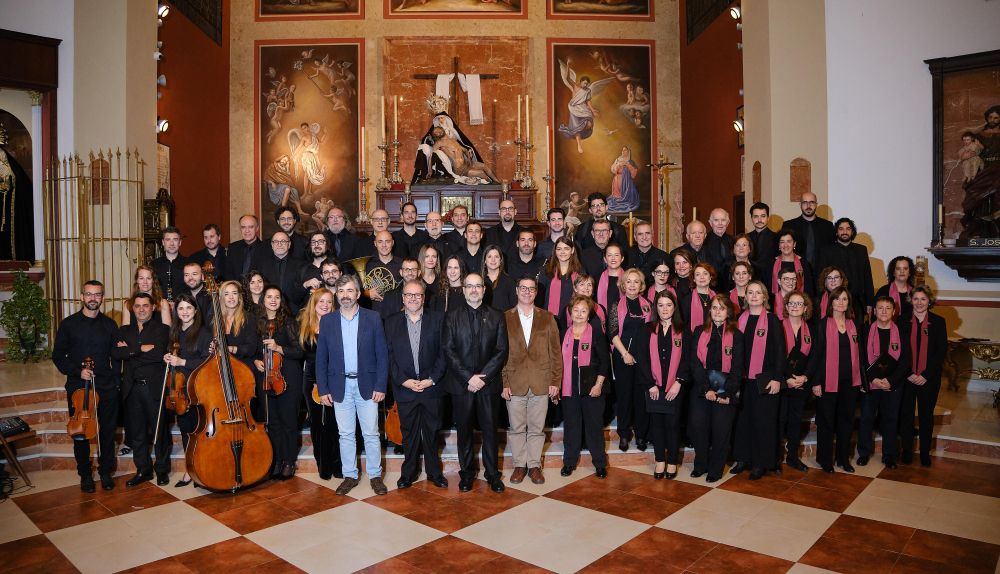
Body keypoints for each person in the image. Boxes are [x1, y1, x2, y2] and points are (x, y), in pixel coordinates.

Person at [316, 274, 390, 496]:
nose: (345, 295)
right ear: (336, 295)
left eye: (349, 291)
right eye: (341, 292)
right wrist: (323, 389)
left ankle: (376, 476)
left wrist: (381, 385)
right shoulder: (328, 321)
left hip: (367, 385)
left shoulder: (373, 318)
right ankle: (350, 475)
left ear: (358, 293)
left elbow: (382, 355)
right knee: (345, 434)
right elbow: (321, 358)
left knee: (371, 433)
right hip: (339, 386)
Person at [443, 273, 509, 493]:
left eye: (477, 286)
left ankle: (492, 475)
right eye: (469, 286)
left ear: (484, 290)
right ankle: (467, 474)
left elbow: (501, 351)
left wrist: (483, 378)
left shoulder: (497, 316)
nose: (473, 290)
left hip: (488, 386)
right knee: (464, 433)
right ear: (463, 290)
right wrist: (467, 378)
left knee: (490, 431)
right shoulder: (451, 317)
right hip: (462, 386)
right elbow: (448, 351)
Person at [51, 280, 120, 492]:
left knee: (107, 432)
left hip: (105, 386)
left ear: (103, 298)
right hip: (78, 388)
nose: (93, 298)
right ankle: (85, 474)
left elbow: (115, 357)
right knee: (81, 432)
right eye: (89, 294)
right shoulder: (68, 324)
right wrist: (77, 371)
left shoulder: (110, 325)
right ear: (82, 297)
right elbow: (58, 356)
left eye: (97, 295)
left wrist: (116, 381)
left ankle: (106, 471)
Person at [385, 280, 449, 489]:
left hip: (431, 388)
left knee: (431, 433)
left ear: (424, 297)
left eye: (417, 295)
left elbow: (444, 354)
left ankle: (434, 472)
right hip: (405, 389)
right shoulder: (391, 322)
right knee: (409, 434)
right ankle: (408, 473)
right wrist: (404, 380)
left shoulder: (439, 320)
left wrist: (431, 380)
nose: (413, 298)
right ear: (403, 298)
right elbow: (388, 357)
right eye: (409, 294)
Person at [501, 277, 561, 485]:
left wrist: (555, 381)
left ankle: (534, 465)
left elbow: (556, 353)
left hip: (541, 382)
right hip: (514, 382)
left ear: (536, 292)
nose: (527, 292)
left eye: (531, 289)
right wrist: (504, 382)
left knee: (536, 428)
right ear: (517, 290)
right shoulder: (505, 318)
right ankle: (519, 465)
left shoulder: (547, 318)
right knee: (517, 427)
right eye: (523, 288)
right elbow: (500, 353)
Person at [113, 293, 172, 487]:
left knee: (160, 431)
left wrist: (130, 351)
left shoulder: (162, 329)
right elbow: (116, 352)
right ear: (132, 308)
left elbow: (157, 354)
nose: (141, 309)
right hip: (132, 389)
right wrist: (139, 349)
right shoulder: (124, 330)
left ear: (153, 307)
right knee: (137, 433)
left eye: (145, 306)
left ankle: (162, 470)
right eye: (137, 306)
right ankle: (143, 470)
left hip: (153, 387)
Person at [731, 281, 786, 480]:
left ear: (765, 297)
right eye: (750, 293)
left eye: (758, 293)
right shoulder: (738, 319)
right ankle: (742, 458)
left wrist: (777, 379)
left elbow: (780, 352)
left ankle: (760, 463)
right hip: (743, 380)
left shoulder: (773, 321)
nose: (754, 296)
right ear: (745, 297)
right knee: (743, 421)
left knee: (763, 423)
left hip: (765, 379)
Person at [689, 295, 744, 483]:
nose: (717, 311)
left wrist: (725, 393)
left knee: (721, 431)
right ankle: (700, 465)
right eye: (714, 307)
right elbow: (694, 363)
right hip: (702, 388)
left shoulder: (737, 336)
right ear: (709, 311)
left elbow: (738, 368)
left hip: (726, 391)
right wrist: (706, 389)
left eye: (721, 308)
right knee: (698, 428)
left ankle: (715, 468)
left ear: (728, 312)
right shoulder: (699, 331)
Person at [812, 287, 864, 473]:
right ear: (831, 302)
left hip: (850, 382)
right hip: (827, 381)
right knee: (826, 421)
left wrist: (862, 381)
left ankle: (843, 459)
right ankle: (825, 459)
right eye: (837, 299)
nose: (841, 302)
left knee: (846, 421)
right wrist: (816, 382)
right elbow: (816, 355)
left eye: (844, 299)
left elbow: (860, 354)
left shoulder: (854, 324)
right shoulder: (822, 324)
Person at [254, 285, 304, 480]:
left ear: (281, 301)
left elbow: (299, 352)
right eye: (269, 296)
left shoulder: (290, 323)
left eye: (277, 297)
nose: (273, 300)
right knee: (273, 422)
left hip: (288, 377)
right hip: (266, 378)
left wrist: (279, 347)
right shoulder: (258, 324)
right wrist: (255, 361)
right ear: (263, 300)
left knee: (288, 422)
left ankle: (289, 461)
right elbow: (253, 350)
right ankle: (276, 460)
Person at [163, 293, 212, 488]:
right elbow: (171, 356)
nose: (184, 312)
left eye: (188, 308)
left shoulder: (204, 333)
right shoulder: (174, 332)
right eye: (181, 308)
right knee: (185, 432)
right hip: (179, 392)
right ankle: (189, 470)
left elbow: (207, 362)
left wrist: (182, 361)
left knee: (198, 432)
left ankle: (203, 468)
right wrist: (168, 358)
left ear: (195, 311)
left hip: (197, 390)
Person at [560, 295, 609, 479]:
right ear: (570, 312)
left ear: (589, 314)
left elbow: (605, 363)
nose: (579, 314)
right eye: (576, 310)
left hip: (592, 390)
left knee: (594, 428)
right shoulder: (563, 333)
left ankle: (599, 464)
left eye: (583, 311)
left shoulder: (596, 333)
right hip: (569, 389)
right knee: (571, 428)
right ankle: (569, 463)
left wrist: (598, 385)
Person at [642, 290, 690, 480]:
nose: (664, 309)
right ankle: (660, 459)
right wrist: (650, 384)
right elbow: (643, 359)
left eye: (668, 305)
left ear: (674, 307)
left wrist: (678, 382)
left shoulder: (683, 330)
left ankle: (672, 462)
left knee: (672, 425)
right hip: (654, 386)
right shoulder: (647, 329)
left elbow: (687, 360)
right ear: (656, 307)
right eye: (660, 305)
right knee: (657, 425)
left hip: (674, 387)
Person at [857, 296, 909, 470]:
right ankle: (863, 453)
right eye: (880, 308)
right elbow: (861, 359)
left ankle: (889, 455)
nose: (884, 311)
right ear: (875, 311)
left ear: (894, 311)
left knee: (890, 419)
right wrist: (872, 379)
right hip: (871, 385)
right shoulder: (865, 330)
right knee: (866, 419)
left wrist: (890, 381)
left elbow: (905, 361)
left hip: (892, 386)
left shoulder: (901, 332)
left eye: (888, 308)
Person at [899, 285, 947, 467]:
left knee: (926, 416)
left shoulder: (939, 322)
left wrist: (925, 374)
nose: (919, 303)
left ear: (929, 301)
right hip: (907, 378)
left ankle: (925, 452)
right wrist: (909, 373)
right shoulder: (902, 321)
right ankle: (907, 450)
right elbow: (900, 351)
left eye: (923, 299)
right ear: (911, 300)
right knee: (906, 415)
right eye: (916, 299)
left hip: (929, 379)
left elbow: (940, 351)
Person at [298, 288, 342, 480]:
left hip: (334, 378)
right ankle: (323, 466)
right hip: (312, 380)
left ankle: (338, 465)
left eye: (329, 302)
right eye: (321, 302)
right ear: (314, 304)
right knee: (318, 426)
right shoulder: (304, 325)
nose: (325, 305)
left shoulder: (338, 323)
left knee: (336, 425)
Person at [608, 268, 653, 452]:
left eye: (636, 281)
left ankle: (641, 435)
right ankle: (624, 435)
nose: (632, 285)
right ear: (623, 285)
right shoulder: (616, 304)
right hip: (622, 356)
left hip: (644, 358)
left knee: (641, 398)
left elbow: (652, 331)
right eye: (629, 281)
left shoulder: (649, 305)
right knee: (624, 397)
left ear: (641, 285)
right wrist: (625, 353)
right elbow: (612, 332)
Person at [778, 291, 815, 473]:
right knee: (780, 420)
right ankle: (775, 459)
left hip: (801, 384)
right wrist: (787, 379)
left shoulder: (811, 330)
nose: (795, 306)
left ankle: (793, 457)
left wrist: (804, 377)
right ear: (786, 307)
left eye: (799, 304)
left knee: (794, 422)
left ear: (805, 308)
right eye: (791, 303)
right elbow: (774, 357)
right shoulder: (777, 326)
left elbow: (815, 358)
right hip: (783, 384)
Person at [819, 218, 874, 317]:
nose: (844, 232)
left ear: (852, 232)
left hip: (857, 302)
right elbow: (822, 278)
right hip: (834, 300)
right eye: (841, 229)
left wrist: (869, 302)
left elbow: (867, 276)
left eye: (848, 229)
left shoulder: (861, 250)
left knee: (857, 331)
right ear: (836, 232)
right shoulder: (826, 251)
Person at [782, 192, 834, 270]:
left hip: (822, 273)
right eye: (805, 202)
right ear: (800, 205)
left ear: (816, 204)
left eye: (812, 202)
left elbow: (831, 252)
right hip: (795, 272)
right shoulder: (789, 226)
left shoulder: (828, 226)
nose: (808, 206)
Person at [259, 231, 308, 314]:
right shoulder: (263, 265)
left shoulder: (301, 265)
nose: (279, 244)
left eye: (283, 241)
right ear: (272, 245)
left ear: (289, 244)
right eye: (276, 241)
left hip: (294, 312)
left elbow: (302, 291)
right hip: (268, 312)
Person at [217, 280, 260, 371]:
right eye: (226, 294)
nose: (231, 297)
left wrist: (230, 349)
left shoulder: (248, 318)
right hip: (221, 368)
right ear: (221, 298)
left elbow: (251, 348)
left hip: (243, 368)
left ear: (239, 297)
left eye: (234, 293)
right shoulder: (216, 319)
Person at [539, 236, 583, 318]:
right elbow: (539, 297)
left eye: (566, 248)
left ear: (572, 250)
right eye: (559, 249)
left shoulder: (580, 272)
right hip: (549, 318)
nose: (562, 252)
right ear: (555, 251)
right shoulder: (546, 271)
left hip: (574, 318)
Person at [772, 229, 815, 298]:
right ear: (779, 245)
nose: (785, 245)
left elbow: (809, 290)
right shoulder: (771, 264)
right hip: (776, 304)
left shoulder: (804, 263)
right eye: (782, 242)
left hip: (799, 304)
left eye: (789, 241)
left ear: (794, 244)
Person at [225, 214, 265, 281]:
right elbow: (228, 273)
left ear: (257, 228)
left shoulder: (266, 249)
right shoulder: (233, 248)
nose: (247, 231)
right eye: (243, 227)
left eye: (251, 227)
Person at [152, 226, 188, 302]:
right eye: (168, 239)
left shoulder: (188, 263)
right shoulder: (154, 264)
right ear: (163, 242)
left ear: (180, 242)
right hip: (160, 308)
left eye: (175, 239)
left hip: (183, 309)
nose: (172, 243)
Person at [681, 262, 717, 332]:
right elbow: (684, 326)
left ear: (710, 277)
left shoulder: (718, 298)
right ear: (694, 279)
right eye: (698, 274)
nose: (702, 277)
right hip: (694, 339)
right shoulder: (687, 300)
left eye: (705, 273)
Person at [747, 202, 778, 272]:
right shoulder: (746, 238)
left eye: (763, 216)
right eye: (756, 216)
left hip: (770, 277)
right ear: (751, 218)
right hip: (749, 278)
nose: (759, 220)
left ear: (768, 218)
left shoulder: (777, 238)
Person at [483, 245, 516, 312]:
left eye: (496, 256)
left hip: (504, 320)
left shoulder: (509, 282)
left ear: (501, 260)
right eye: (489, 257)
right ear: (485, 261)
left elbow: (514, 307)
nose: (493, 260)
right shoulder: (480, 281)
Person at [595, 243, 625, 312]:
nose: (613, 258)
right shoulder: (596, 279)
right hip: (602, 319)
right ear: (605, 259)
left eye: (616, 255)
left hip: (624, 320)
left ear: (622, 258)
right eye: (609, 255)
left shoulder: (629, 279)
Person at [704, 208, 735, 276]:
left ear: (728, 222)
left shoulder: (734, 241)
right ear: (710, 223)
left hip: (730, 282)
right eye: (716, 220)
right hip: (710, 282)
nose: (720, 223)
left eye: (723, 220)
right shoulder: (703, 241)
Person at [418, 244, 441, 310]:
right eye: (427, 256)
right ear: (422, 258)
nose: (431, 259)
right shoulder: (416, 279)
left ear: (437, 260)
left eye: (434, 256)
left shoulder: (442, 279)